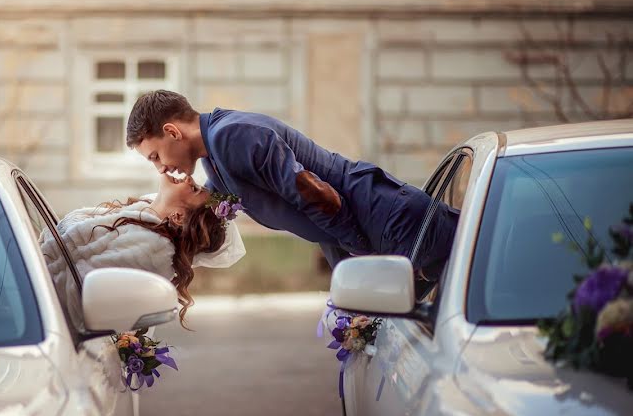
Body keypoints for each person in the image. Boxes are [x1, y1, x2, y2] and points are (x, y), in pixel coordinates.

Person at [125, 89, 458, 286]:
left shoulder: (231, 136)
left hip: (391, 223)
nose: (160, 168)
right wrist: (147, 219)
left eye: (155, 156)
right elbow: (198, 203)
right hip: (381, 226)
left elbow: (317, 194)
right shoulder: (214, 158)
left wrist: (362, 253)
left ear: (172, 131)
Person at [39, 172, 244, 326]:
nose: (189, 178)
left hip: (38, 307)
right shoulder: (141, 220)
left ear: (179, 217)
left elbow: (75, 289)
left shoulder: (153, 251)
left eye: (194, 189)